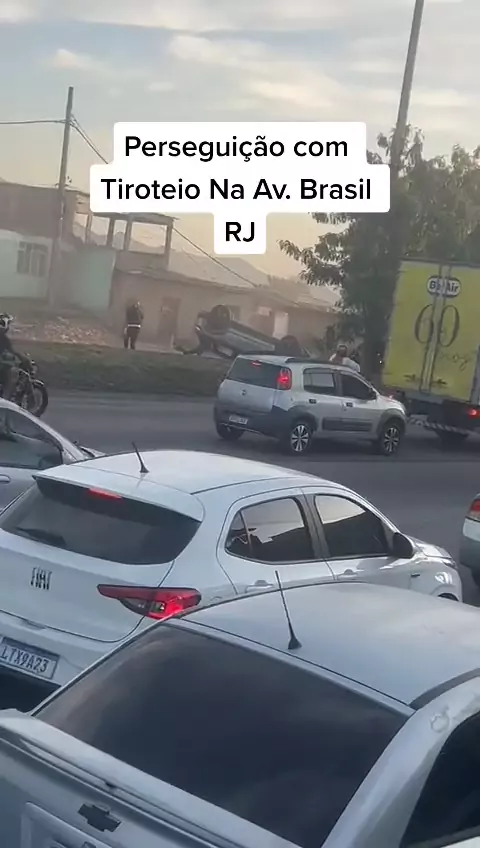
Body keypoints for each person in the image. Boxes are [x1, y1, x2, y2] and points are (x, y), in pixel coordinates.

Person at [0, 313, 24, 400]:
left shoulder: (3, 338)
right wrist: (21, 358)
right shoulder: (3, 338)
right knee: (11, 374)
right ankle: (5, 398)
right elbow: (12, 351)